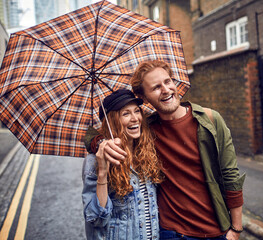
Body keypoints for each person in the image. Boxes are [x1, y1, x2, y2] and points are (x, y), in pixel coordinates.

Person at [84, 60, 246, 240]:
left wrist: (236, 228)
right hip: (171, 232)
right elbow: (95, 132)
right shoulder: (148, 129)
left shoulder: (210, 120)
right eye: (156, 87)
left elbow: (231, 176)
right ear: (145, 98)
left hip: (216, 229)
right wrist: (100, 143)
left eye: (168, 82)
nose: (166, 90)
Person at [82, 89, 163, 240]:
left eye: (137, 111)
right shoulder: (95, 160)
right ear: (113, 120)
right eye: (126, 114)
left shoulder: (146, 152)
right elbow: (96, 219)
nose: (135, 118)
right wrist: (102, 172)